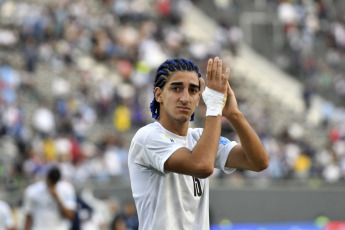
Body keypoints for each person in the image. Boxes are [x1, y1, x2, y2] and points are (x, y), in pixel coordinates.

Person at [128, 57, 270, 229]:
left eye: (193, 90)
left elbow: (259, 162)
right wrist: (214, 107)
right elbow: (202, 166)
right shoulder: (148, 137)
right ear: (159, 94)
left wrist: (234, 114)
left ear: (199, 98)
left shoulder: (199, 138)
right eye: (176, 88)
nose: (185, 98)